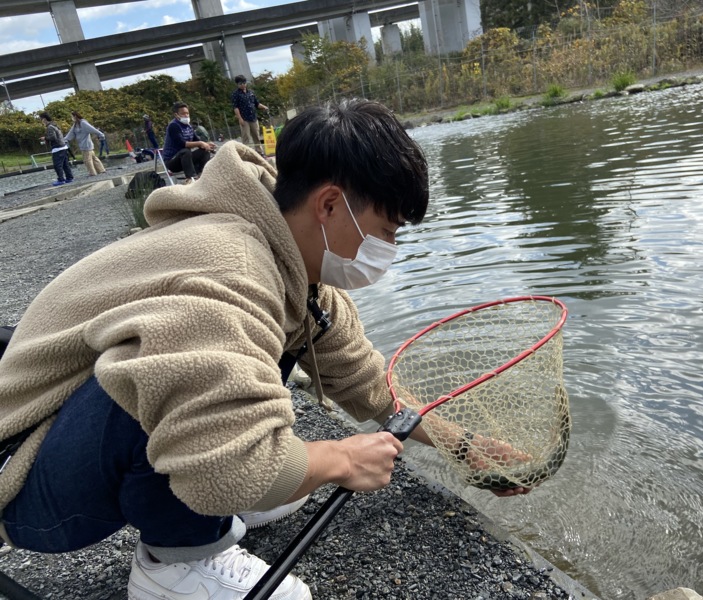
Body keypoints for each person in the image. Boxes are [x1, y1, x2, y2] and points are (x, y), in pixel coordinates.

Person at [0, 99, 530, 600]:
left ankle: (212, 503)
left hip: (70, 443)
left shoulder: (293, 263)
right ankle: (176, 565)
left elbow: (365, 382)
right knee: (190, 381)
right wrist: (340, 458)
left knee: (232, 382)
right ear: (329, 204)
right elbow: (228, 470)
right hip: (25, 486)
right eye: (386, 232)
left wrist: (463, 445)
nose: (387, 250)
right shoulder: (230, 270)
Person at [161, 102, 216, 184]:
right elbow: (182, 144)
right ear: (176, 115)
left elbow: (196, 140)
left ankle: (202, 174)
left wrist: (207, 144)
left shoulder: (189, 126)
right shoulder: (173, 126)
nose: (186, 115)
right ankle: (191, 178)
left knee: (204, 152)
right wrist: (200, 143)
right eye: (183, 114)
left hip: (186, 160)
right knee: (185, 151)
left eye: (187, 113)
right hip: (172, 161)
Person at [231, 75, 269, 151]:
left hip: (253, 117)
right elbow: (235, 107)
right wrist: (240, 118)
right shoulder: (235, 94)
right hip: (244, 118)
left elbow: (257, 104)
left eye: (244, 83)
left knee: (256, 136)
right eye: (240, 83)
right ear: (237, 84)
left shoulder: (251, 92)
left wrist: (264, 107)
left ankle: (259, 151)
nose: (243, 85)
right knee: (246, 137)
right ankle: (246, 153)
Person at [65, 111, 106, 177]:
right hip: (83, 145)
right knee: (93, 158)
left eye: (72, 116)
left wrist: (100, 134)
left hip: (86, 145)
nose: (71, 118)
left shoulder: (83, 123)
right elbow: (71, 133)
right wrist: (65, 140)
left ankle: (92, 173)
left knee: (87, 160)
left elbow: (92, 129)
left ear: (75, 116)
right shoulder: (75, 125)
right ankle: (101, 170)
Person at [39, 112, 73, 186]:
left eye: (41, 119)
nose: (41, 121)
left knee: (57, 165)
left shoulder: (50, 127)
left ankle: (61, 179)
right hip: (63, 146)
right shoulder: (55, 125)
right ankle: (69, 178)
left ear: (44, 119)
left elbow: (53, 137)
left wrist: (45, 138)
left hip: (57, 148)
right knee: (65, 164)